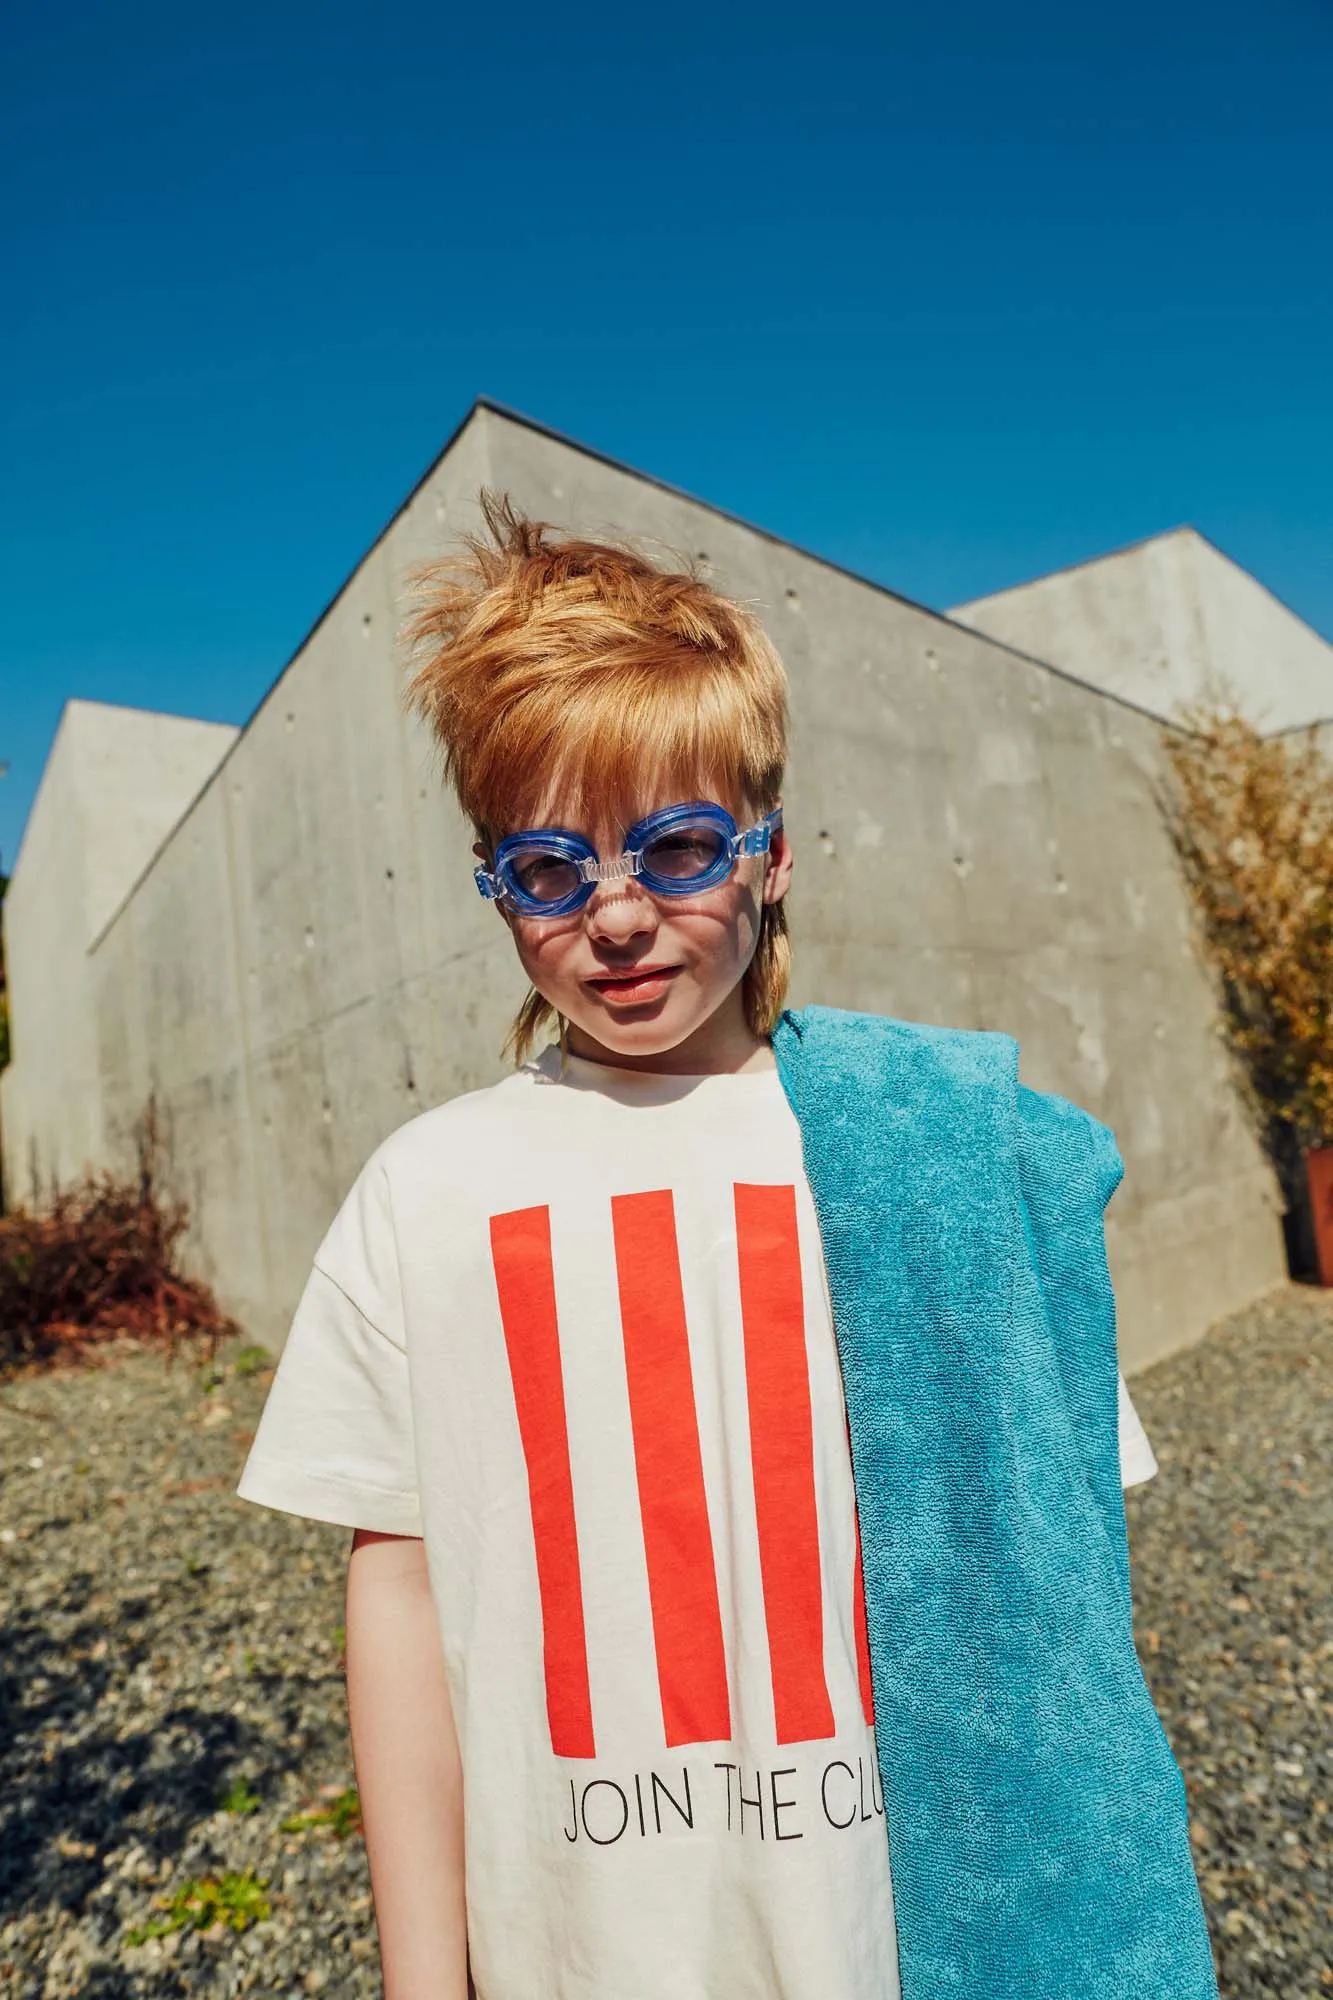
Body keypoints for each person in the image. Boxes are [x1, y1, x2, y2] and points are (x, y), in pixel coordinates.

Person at [238, 497, 1194, 2000]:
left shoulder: (946, 1159)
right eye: (550, 870)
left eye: (675, 848)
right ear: (497, 887)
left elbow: (1060, 1550)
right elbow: (399, 1598)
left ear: (774, 857)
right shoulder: (426, 1191)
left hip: (907, 1933)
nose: (616, 916)